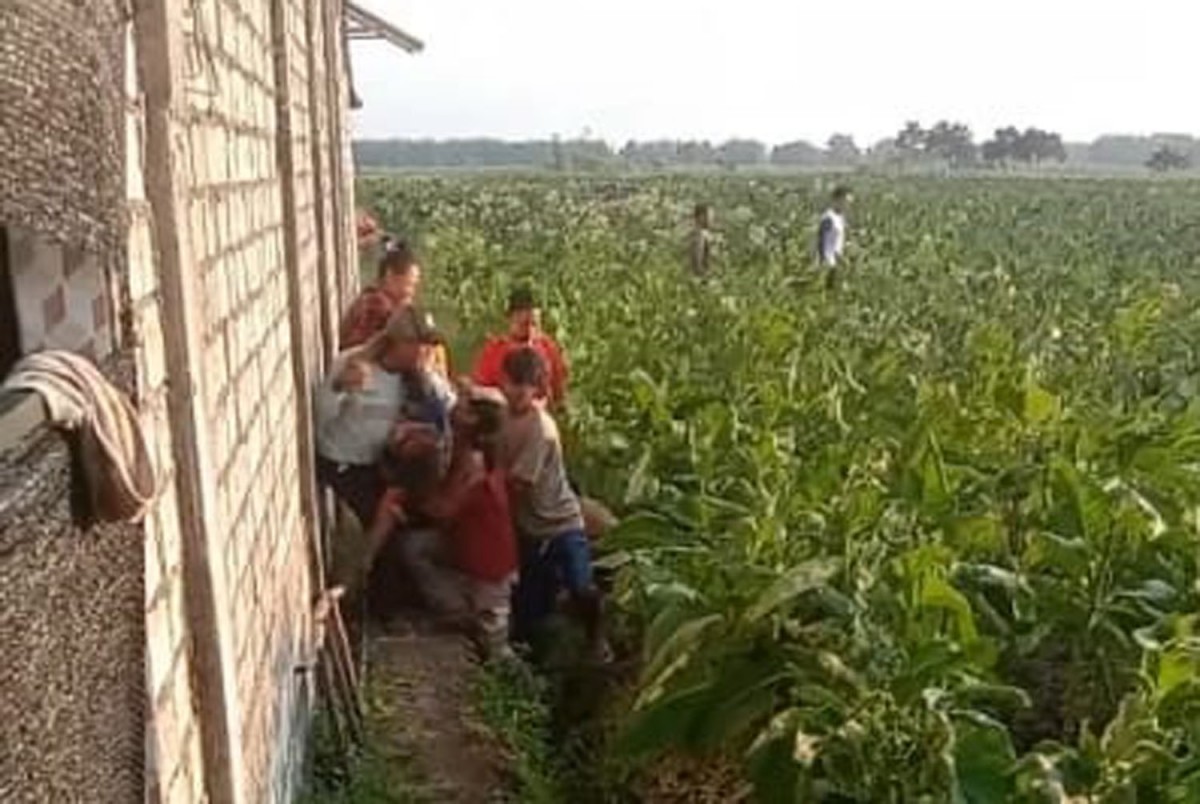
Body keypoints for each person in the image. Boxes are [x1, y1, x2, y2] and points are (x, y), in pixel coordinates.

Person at [499, 347, 608, 661]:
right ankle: (536, 664)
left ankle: (597, 641)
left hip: (560, 523)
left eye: (526, 385)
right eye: (513, 383)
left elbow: (518, 485)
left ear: (537, 389)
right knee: (530, 608)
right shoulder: (503, 415)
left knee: (581, 587)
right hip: (530, 528)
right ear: (503, 382)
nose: (518, 392)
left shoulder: (541, 429)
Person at [315, 304, 450, 530]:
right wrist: (340, 389)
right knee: (385, 523)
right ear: (401, 344)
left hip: (380, 464)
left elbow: (448, 401)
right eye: (422, 346)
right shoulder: (355, 364)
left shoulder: (416, 378)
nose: (427, 353)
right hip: (345, 462)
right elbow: (321, 417)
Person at [341, 240, 451, 378]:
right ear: (390, 276)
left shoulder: (382, 301)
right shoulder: (376, 303)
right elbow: (370, 347)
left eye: (415, 286)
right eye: (409, 285)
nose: (412, 293)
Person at [472, 287, 569, 409]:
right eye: (524, 324)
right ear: (511, 318)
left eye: (534, 324)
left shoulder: (548, 347)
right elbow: (480, 390)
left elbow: (559, 392)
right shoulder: (494, 350)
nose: (530, 331)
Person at [816, 185, 852, 274]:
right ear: (837, 200)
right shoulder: (828, 218)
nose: (848, 205)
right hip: (828, 265)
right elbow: (821, 241)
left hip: (837, 263)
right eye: (846, 202)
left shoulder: (840, 217)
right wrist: (823, 262)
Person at [688, 203, 715, 277]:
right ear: (701, 217)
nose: (712, 219)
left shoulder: (696, 233)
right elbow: (697, 259)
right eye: (710, 216)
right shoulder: (699, 235)